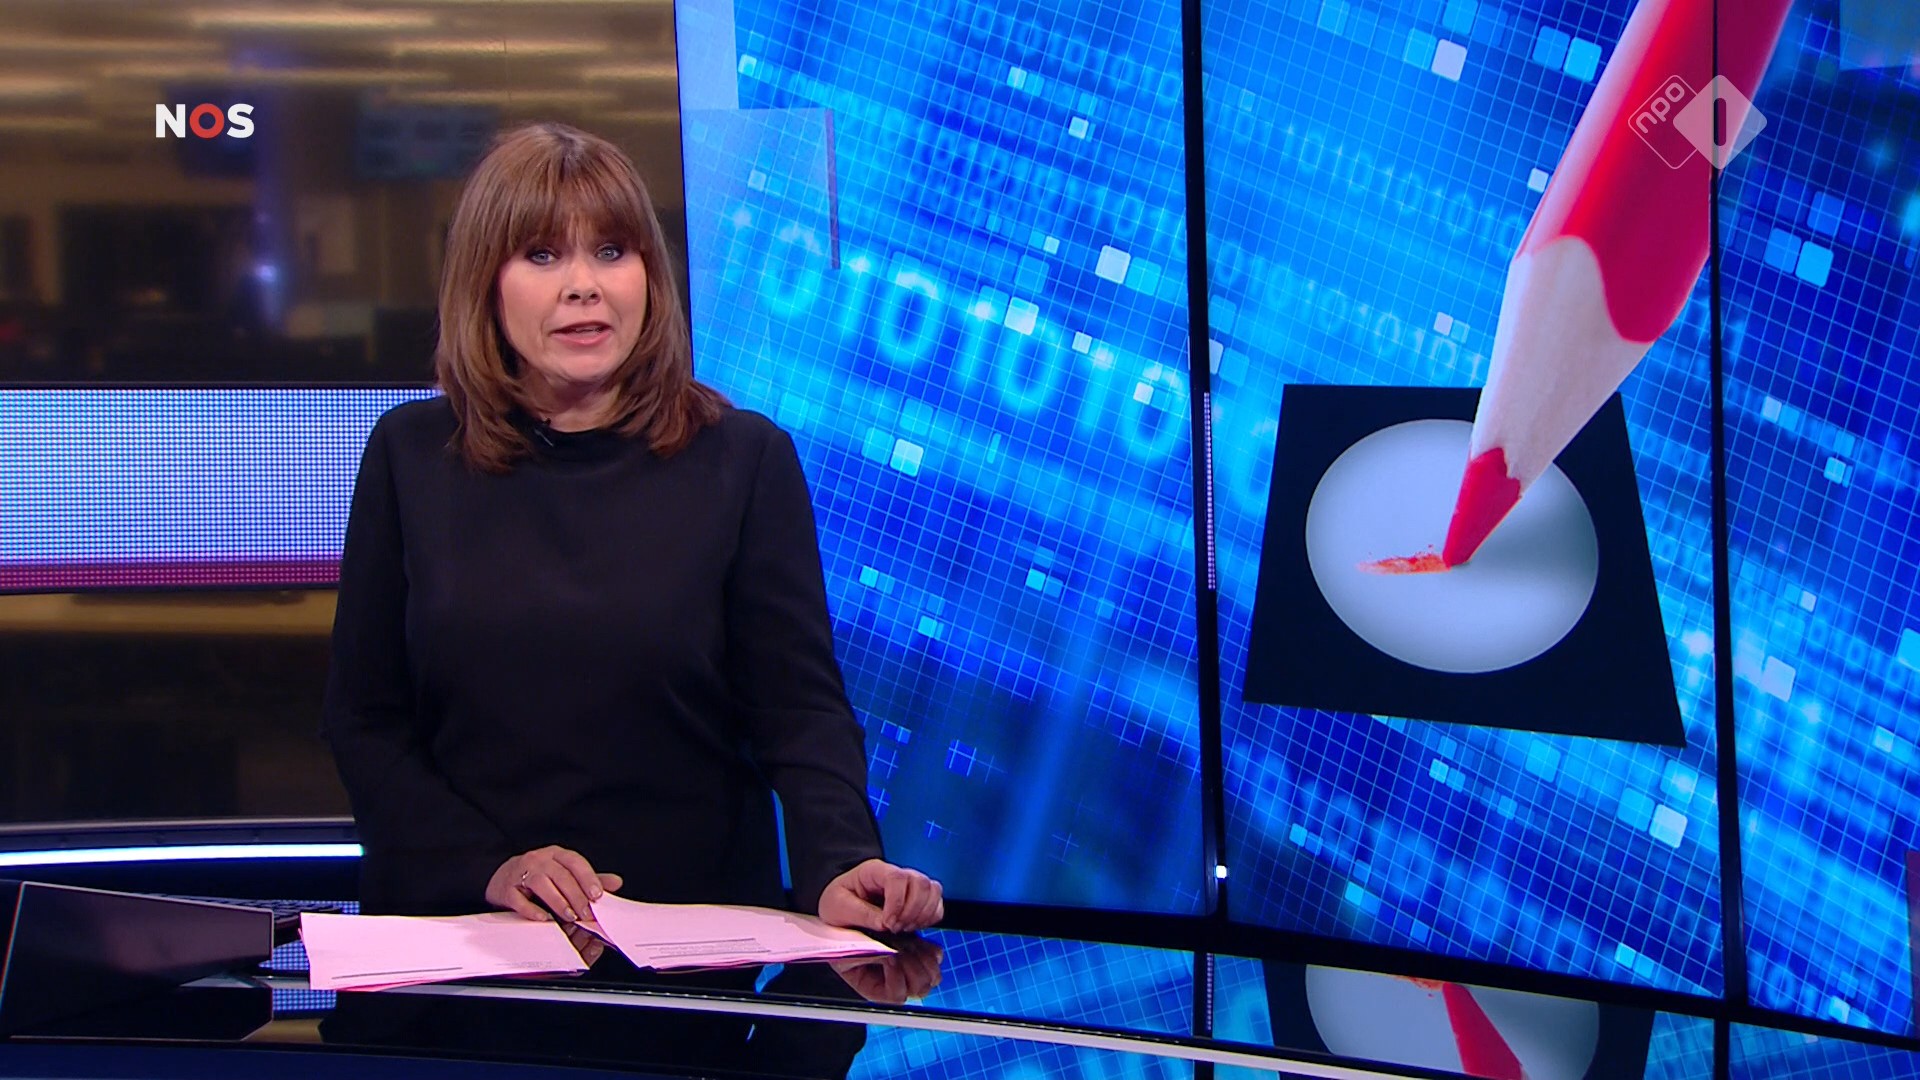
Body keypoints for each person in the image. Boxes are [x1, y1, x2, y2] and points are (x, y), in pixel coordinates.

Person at [322, 121, 943, 934]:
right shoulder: (410, 456)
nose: (584, 286)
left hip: (690, 940)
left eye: (612, 252)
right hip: (462, 934)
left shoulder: (743, 460)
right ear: (484, 282)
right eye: (543, 255)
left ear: (650, 273)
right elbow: (365, 721)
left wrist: (840, 861)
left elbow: (798, 708)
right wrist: (490, 869)